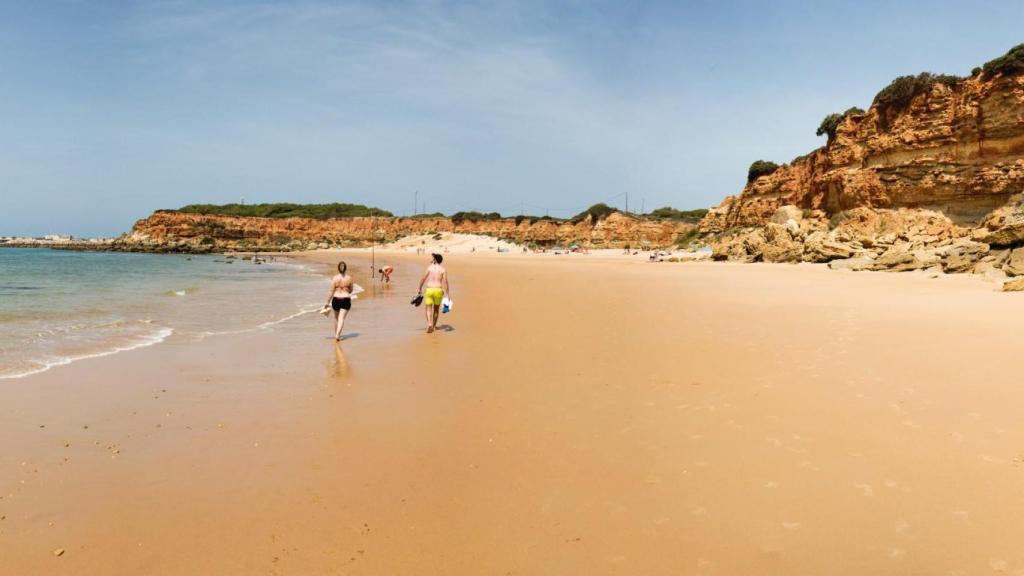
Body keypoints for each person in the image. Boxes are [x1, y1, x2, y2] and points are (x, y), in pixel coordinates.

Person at [417, 253, 450, 334]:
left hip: (429, 290)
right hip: (438, 290)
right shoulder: (443, 269)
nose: (431, 259)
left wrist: (419, 288)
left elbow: (423, 278)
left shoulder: (429, 268)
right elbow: (445, 282)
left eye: (433, 258)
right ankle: (434, 326)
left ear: (435, 260)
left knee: (428, 308)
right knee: (436, 309)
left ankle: (429, 324)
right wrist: (447, 294)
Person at [325, 261, 353, 341]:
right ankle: (338, 335)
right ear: (345, 268)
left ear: (338, 268)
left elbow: (331, 291)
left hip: (336, 299)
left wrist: (327, 302)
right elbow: (351, 290)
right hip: (345, 299)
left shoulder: (335, 278)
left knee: (336, 318)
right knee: (341, 318)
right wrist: (345, 289)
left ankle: (336, 334)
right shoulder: (349, 278)